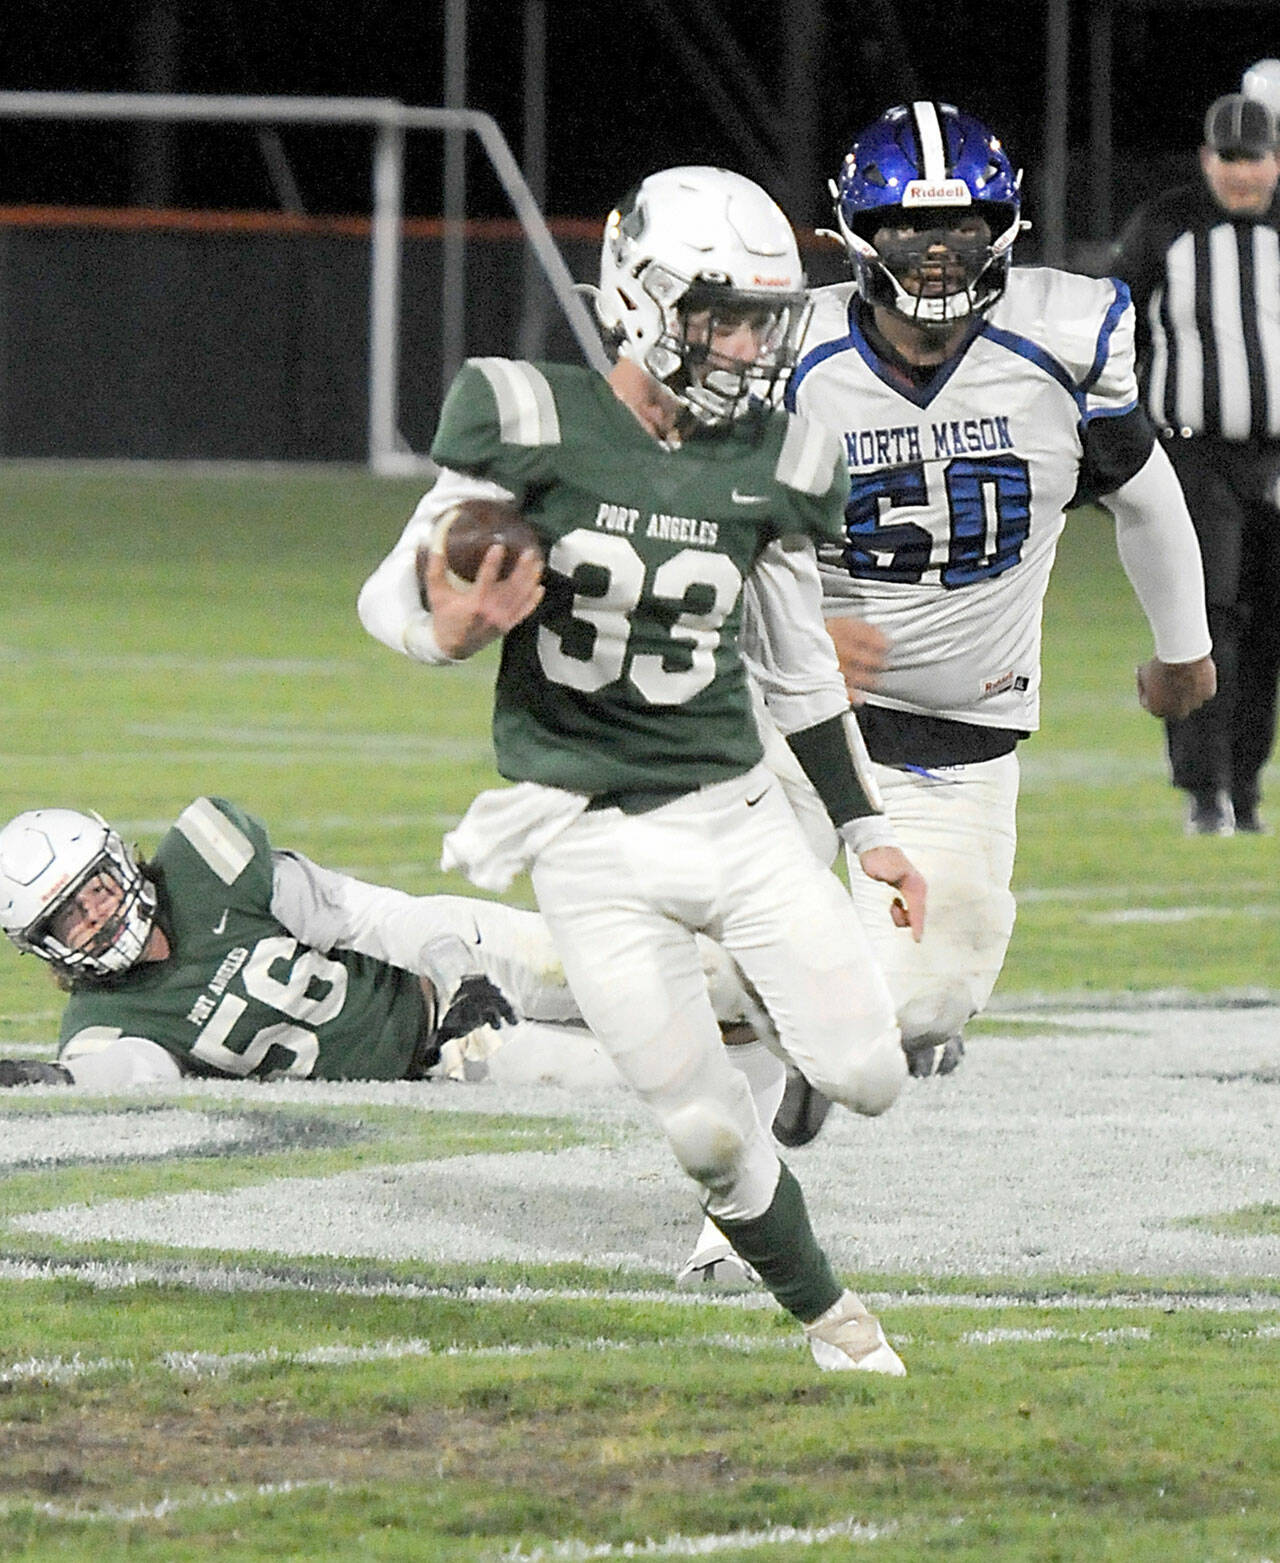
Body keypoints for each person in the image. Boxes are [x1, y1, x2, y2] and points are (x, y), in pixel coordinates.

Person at [358, 165, 928, 1374]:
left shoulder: (775, 458)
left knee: (872, 1076)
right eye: (721, 313)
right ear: (640, 294)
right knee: (704, 1137)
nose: (742, 345)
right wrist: (446, 629)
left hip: (731, 815)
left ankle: (744, 997)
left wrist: (865, 827)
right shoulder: (522, 418)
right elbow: (389, 589)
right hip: (583, 840)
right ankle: (833, 1321)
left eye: (762, 320)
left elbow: (794, 669)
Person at [772, 100, 1214, 1080]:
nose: (934, 253)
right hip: (783, 714)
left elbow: (1141, 497)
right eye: (907, 227)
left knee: (920, 1007)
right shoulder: (787, 351)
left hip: (950, 736)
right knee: (723, 972)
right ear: (857, 232)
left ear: (1003, 229)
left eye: (959, 226)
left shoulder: (1060, 336)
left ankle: (857, 1044)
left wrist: (1182, 652)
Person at [0, 796, 587, 1089]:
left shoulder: (207, 864)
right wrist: (59, 1081)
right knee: (644, 1067)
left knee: (634, 976)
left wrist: (462, 974)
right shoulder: (104, 1026)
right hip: (441, 1068)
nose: (95, 915)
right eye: (66, 919)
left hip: (448, 964)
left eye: (93, 890)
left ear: (117, 860)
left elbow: (375, 917)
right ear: (44, 945)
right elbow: (136, 1070)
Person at [1110, 91, 1280, 836]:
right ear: (1207, 160)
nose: (1241, 174)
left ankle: (1244, 784)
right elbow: (1116, 332)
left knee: (1269, 621)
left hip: (1274, 455)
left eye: (1255, 159)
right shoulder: (1165, 228)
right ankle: (1203, 787)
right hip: (1192, 451)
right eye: (1229, 159)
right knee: (1206, 615)